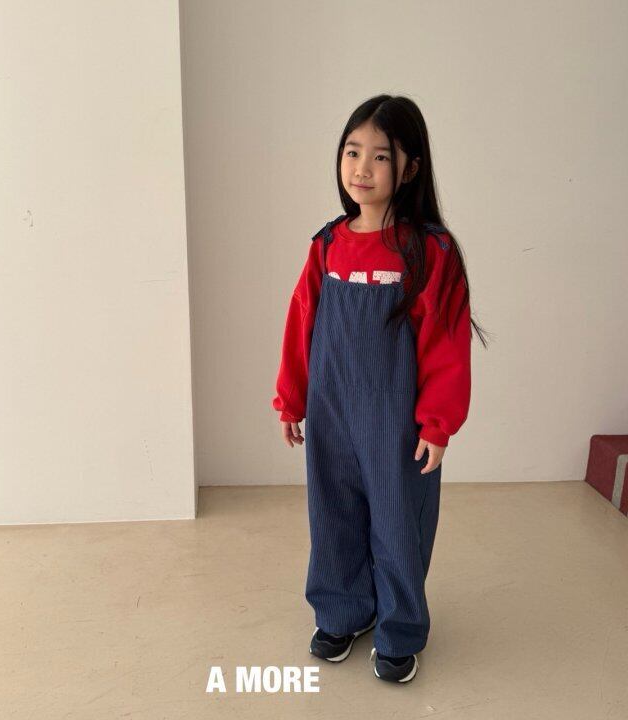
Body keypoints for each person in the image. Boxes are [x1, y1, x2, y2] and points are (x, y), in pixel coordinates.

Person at [272, 94, 488, 683]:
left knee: (397, 522)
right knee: (334, 514)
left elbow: (446, 343)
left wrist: (438, 423)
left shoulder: (430, 251)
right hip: (332, 413)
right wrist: (291, 399)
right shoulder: (327, 245)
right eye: (352, 152)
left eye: (380, 156)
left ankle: (399, 629)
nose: (361, 168)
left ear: (410, 168)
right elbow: (301, 325)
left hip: (397, 420)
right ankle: (342, 611)